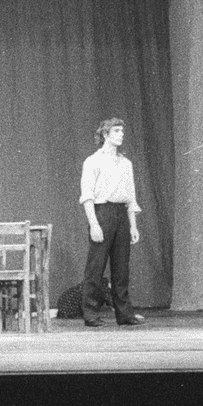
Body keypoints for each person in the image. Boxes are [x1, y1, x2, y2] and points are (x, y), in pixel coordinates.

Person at [79, 118, 146, 327]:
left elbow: (130, 197)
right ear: (105, 135)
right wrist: (95, 223)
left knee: (121, 267)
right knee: (96, 266)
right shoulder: (93, 161)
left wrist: (133, 225)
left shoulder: (126, 164)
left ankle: (124, 314)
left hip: (121, 214)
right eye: (116, 131)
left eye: (122, 131)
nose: (121, 134)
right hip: (102, 212)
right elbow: (87, 195)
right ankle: (90, 313)